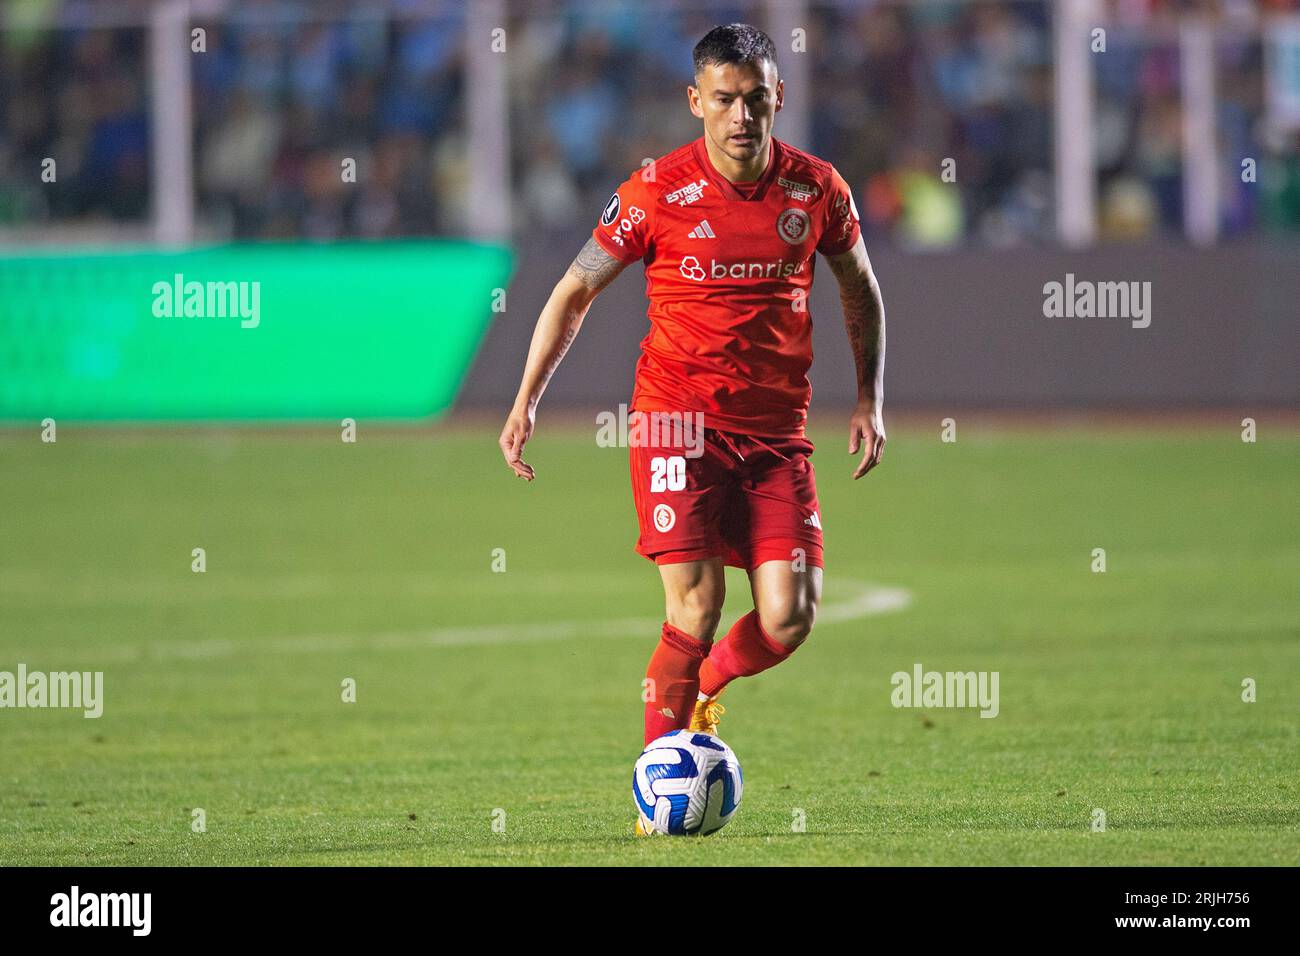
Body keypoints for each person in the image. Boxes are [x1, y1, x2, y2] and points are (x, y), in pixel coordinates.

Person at [498, 23, 887, 835]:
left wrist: (868, 397)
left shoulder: (816, 190)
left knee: (789, 619)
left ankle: (702, 687)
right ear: (695, 102)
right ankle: (656, 791)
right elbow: (573, 291)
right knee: (697, 601)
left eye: (754, 98)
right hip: (677, 423)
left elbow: (862, 289)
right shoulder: (654, 193)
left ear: (778, 94)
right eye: (723, 100)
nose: (741, 115)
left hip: (777, 436)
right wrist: (527, 397)